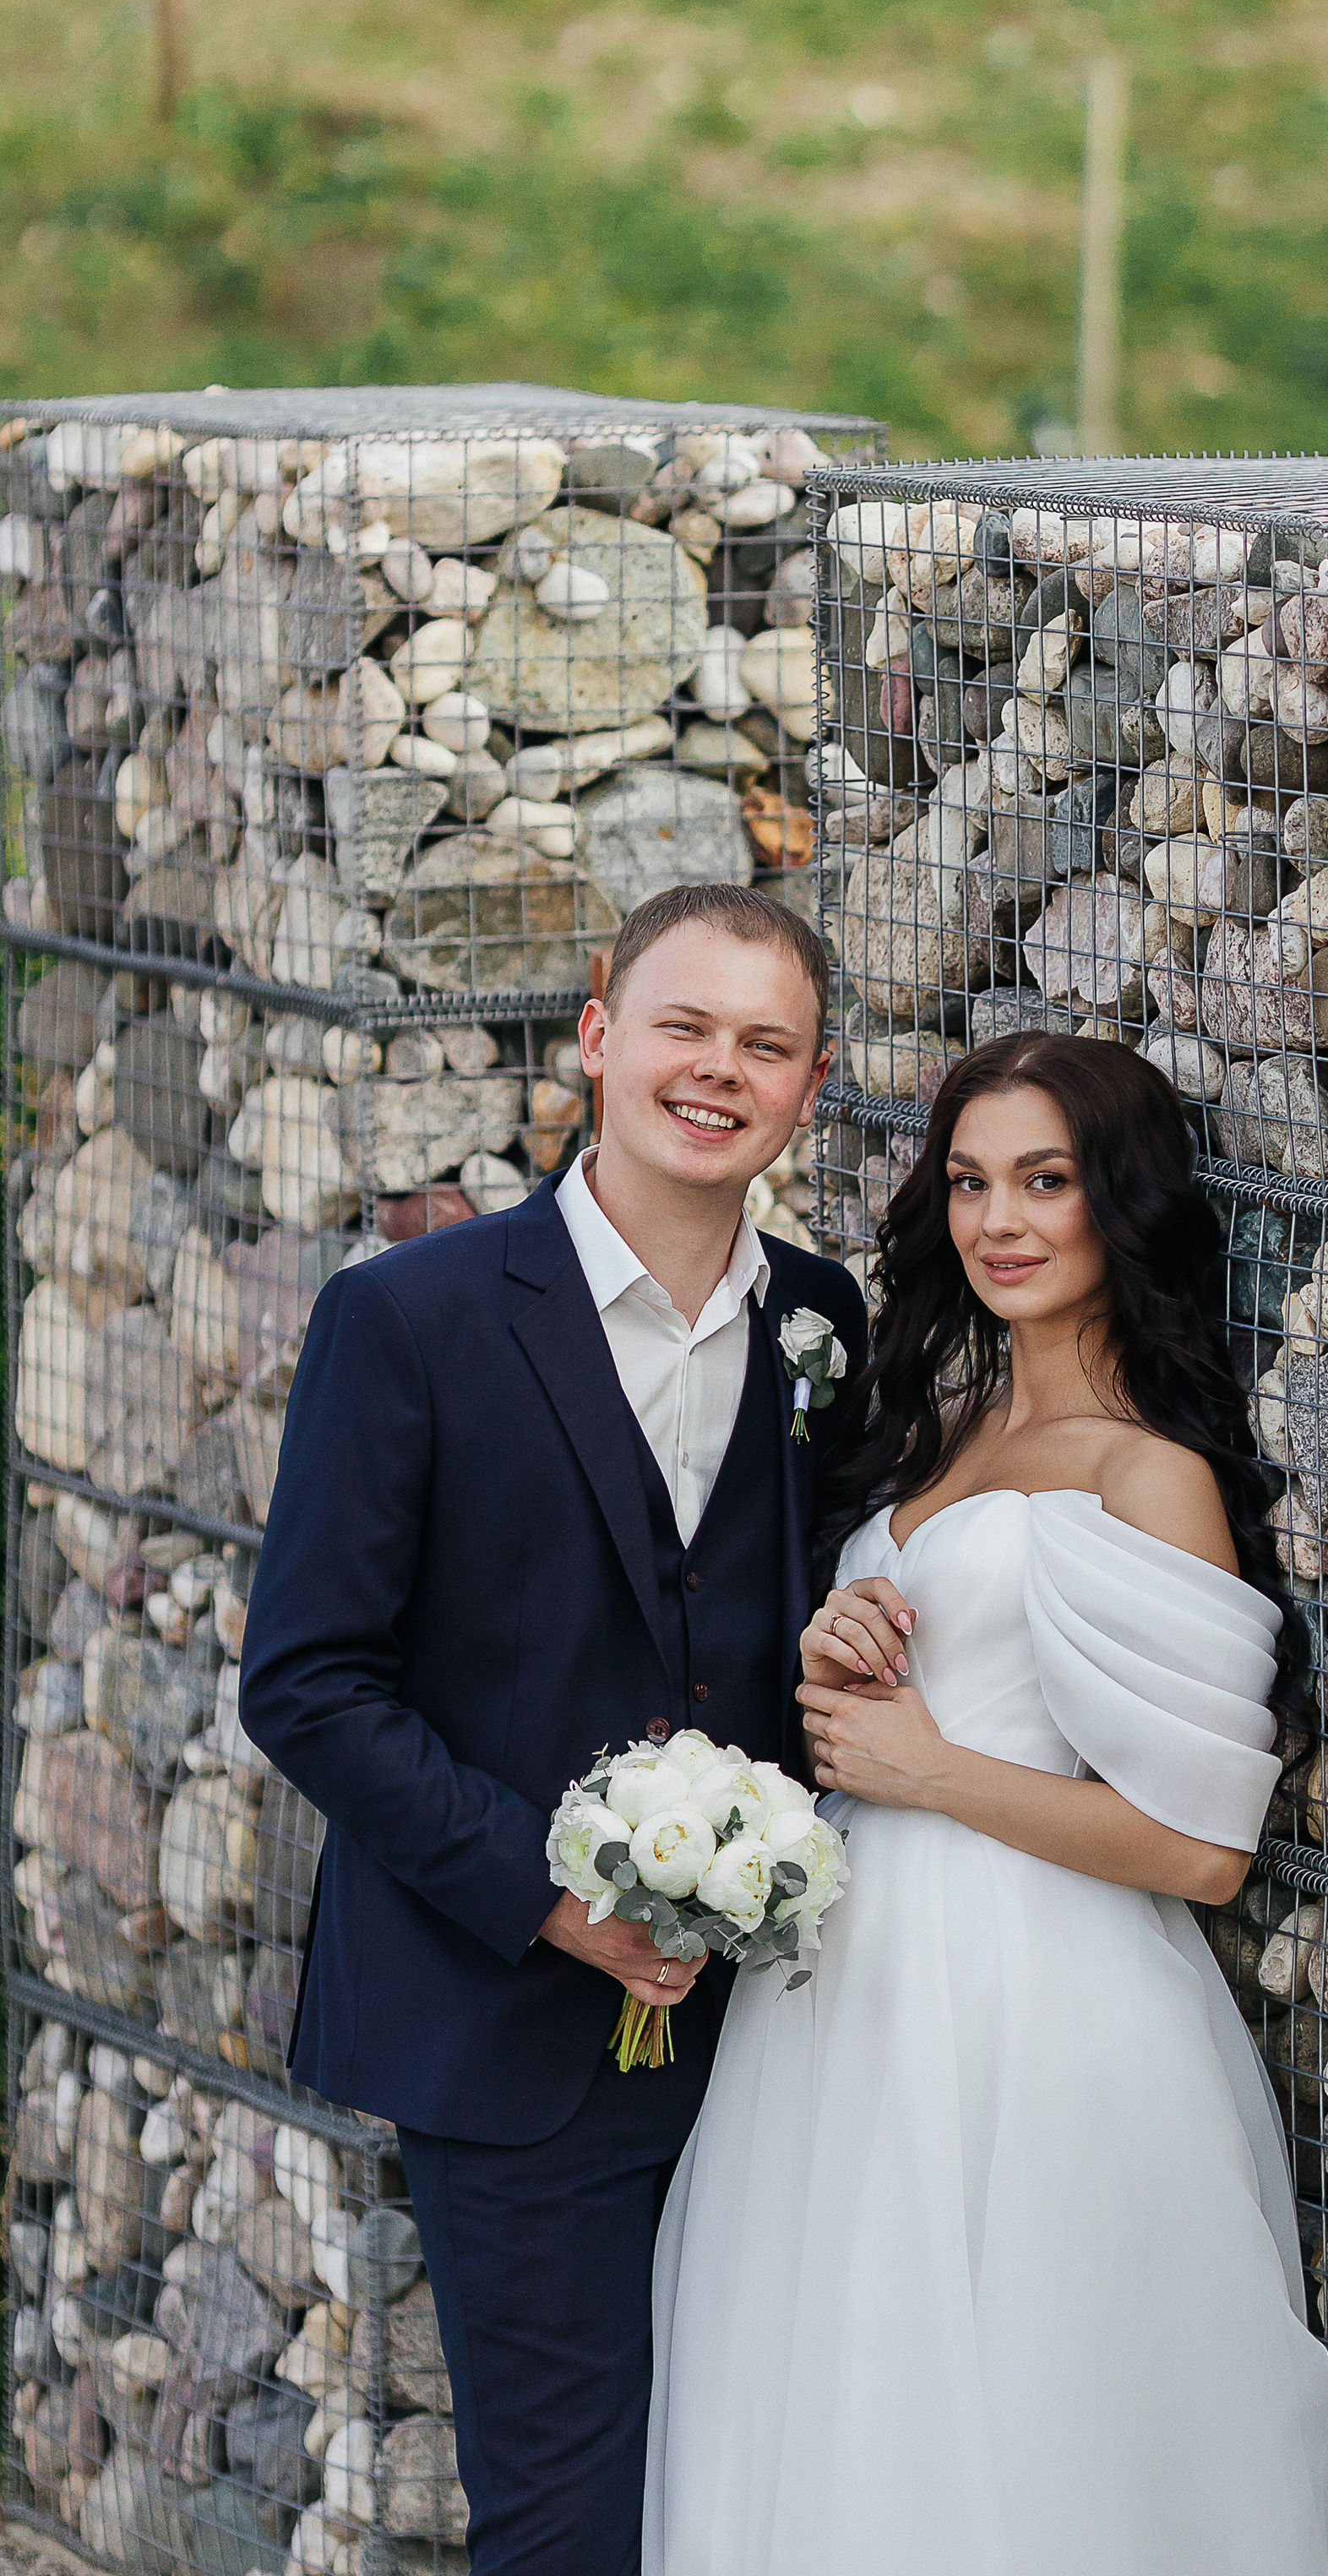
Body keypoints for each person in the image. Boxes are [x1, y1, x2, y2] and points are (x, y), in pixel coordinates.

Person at [645, 1031, 1328, 2576]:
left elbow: (1203, 1849)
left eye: (1048, 1180)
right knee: (849, 2408)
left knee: (1043, 2428)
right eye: (970, 1183)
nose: (999, 1222)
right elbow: (899, 1703)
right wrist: (843, 1651)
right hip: (845, 2011)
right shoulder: (943, 1434)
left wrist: (925, 1770)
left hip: (1038, 2011)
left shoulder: (1143, 1475)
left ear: (1124, 1203)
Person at [239, 882, 868, 2576]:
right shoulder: (411, 1321)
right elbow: (304, 1680)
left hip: (771, 2039)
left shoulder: (823, 1324)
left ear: (809, 1088)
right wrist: (556, 1903)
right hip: (505, 2030)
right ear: (598, 1037)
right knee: (570, 2517)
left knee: (753, 2484)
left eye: (768, 1044)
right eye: (684, 1025)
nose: (718, 1070)